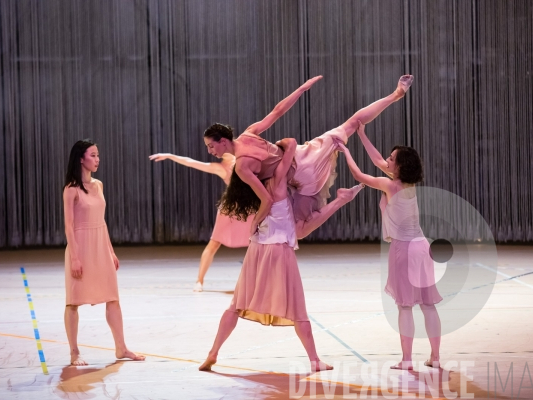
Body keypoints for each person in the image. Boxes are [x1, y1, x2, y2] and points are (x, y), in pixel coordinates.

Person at [199, 137, 363, 373]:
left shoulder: (250, 186)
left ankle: (213, 353)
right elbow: (292, 145)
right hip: (278, 250)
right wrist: (283, 148)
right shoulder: (276, 181)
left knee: (235, 306)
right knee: (298, 308)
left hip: (256, 249)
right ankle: (315, 360)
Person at [203, 75, 413, 233]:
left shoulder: (242, 165)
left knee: (300, 230)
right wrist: (300, 90)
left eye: (211, 146)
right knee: (351, 123)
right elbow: (277, 111)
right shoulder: (249, 133)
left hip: (302, 173)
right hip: (304, 154)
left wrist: (254, 226)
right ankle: (395, 94)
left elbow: (266, 199)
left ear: (222, 141)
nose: (210, 151)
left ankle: (340, 200)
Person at [338, 122, 442, 370]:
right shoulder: (408, 184)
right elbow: (377, 161)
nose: (387, 159)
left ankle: (406, 361)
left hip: (404, 249)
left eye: (391, 158)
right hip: (422, 247)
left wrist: (346, 151)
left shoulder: (390, 185)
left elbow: (359, 176)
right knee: (427, 305)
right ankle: (435, 357)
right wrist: (362, 134)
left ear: (399, 166)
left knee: (405, 306)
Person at [63, 139, 145, 366]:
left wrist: (111, 251)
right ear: (81, 158)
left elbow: (102, 222)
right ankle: (74, 352)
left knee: (113, 298)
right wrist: (75, 257)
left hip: (100, 246)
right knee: (73, 302)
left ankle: (121, 347)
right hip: (80, 247)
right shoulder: (71, 189)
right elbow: (69, 226)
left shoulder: (98, 185)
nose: (97, 160)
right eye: (93, 155)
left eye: (98, 155)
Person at [149, 147, 253, 292]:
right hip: (230, 209)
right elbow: (191, 162)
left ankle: (257, 281)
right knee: (214, 244)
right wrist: (170, 155)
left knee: (258, 244)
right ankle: (199, 281)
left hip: (250, 209)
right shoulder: (221, 168)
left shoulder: (246, 161)